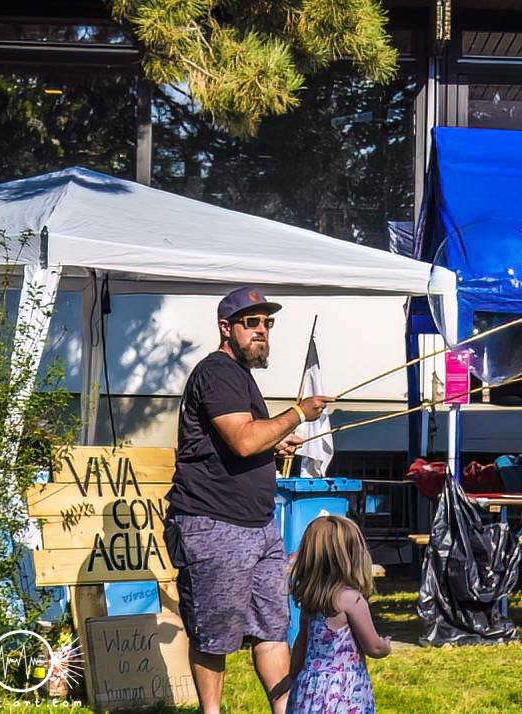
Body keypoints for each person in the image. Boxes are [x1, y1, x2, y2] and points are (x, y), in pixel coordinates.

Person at [164, 286, 332, 714]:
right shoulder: (218, 372)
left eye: (267, 323)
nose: (262, 330)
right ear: (227, 328)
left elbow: (238, 442)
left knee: (272, 629)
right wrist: (298, 413)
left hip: (259, 525)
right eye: (251, 322)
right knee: (214, 634)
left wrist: (273, 444)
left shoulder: (239, 376)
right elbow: (242, 440)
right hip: (214, 523)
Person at [287, 514, 391, 714]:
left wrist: (293, 678)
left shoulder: (311, 599)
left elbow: (301, 643)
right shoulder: (352, 600)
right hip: (344, 691)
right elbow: (373, 647)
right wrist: (385, 645)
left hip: (308, 687)